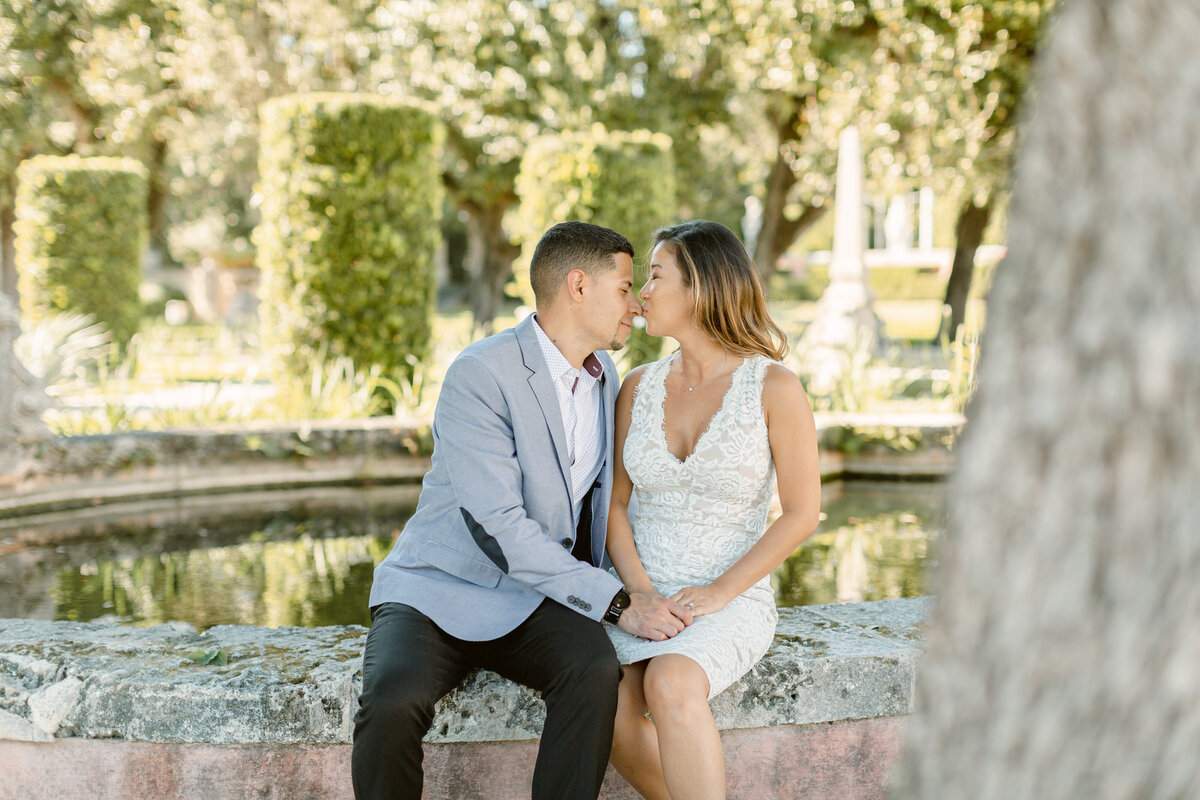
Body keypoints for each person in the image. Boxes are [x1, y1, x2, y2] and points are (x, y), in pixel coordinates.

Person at [351, 221, 694, 800]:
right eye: (624, 287)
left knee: (592, 673)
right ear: (578, 286)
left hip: (534, 596)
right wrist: (617, 604)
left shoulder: (605, 376)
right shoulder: (480, 373)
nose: (636, 305)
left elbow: (595, 507)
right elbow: (498, 529)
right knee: (391, 699)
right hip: (438, 587)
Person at [605, 220, 822, 800]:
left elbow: (802, 513)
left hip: (728, 595)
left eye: (654, 276)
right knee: (600, 699)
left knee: (672, 683)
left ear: (700, 288)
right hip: (638, 593)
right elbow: (614, 507)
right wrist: (638, 593)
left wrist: (721, 592)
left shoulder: (774, 387)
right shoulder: (638, 386)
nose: (640, 294)